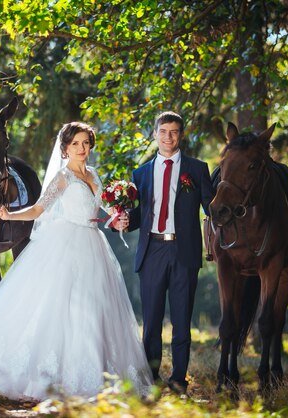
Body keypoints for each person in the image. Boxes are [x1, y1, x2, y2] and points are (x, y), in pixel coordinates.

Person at [0, 122, 153, 400]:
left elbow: (106, 209)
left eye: (86, 143)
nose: (81, 149)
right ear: (65, 148)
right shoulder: (63, 178)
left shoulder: (94, 174)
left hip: (95, 246)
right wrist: (11, 215)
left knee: (96, 309)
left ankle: (96, 374)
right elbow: (39, 209)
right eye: (75, 144)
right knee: (61, 310)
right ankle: (55, 376)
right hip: (66, 245)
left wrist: (120, 216)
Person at [114, 112, 214, 394]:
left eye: (174, 131)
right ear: (155, 134)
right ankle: (151, 377)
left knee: (182, 319)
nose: (168, 136)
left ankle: (179, 378)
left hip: (185, 252)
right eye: (163, 131)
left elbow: (212, 210)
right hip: (152, 251)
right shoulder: (141, 173)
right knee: (152, 319)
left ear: (181, 135)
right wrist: (122, 221)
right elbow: (138, 217)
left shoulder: (197, 169)